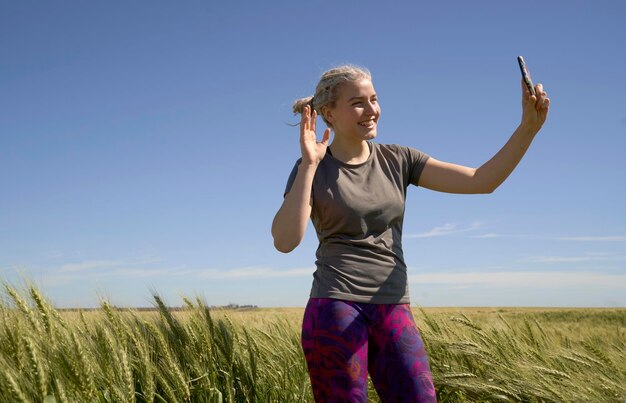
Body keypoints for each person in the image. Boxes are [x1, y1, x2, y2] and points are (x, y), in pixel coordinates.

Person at [271, 65, 549, 402]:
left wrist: (527, 130)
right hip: (335, 307)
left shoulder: (399, 159)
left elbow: (480, 181)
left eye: (374, 99)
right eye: (358, 102)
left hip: (393, 306)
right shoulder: (313, 168)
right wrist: (309, 164)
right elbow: (285, 241)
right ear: (328, 113)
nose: (371, 110)